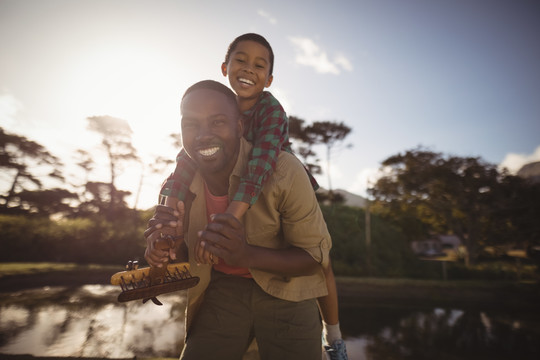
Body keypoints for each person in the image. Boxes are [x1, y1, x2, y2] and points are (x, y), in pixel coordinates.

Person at [159, 33, 348, 359]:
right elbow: (183, 162)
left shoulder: (271, 115)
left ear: (270, 78)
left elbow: (260, 167)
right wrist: (166, 215)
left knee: (323, 261)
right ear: (225, 67)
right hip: (226, 284)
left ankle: (334, 337)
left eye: (259, 65)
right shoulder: (217, 110)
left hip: (273, 177)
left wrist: (231, 219)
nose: (249, 68)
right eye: (241, 61)